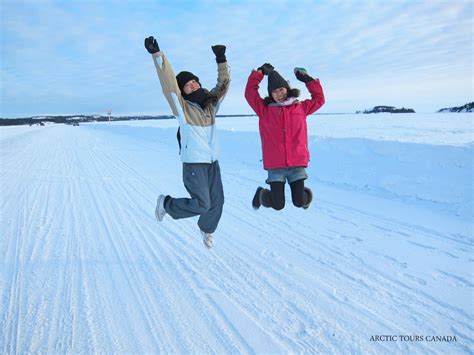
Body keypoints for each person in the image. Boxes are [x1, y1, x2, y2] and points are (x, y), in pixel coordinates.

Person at [144, 36, 230, 248]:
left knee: (217, 204)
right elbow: (169, 84)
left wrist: (221, 60)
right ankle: (166, 204)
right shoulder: (182, 108)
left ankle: (206, 229)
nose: (193, 84)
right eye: (188, 85)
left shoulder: (210, 106)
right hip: (194, 163)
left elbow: (223, 85)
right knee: (202, 204)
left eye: (195, 81)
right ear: (183, 91)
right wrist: (157, 55)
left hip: (212, 163)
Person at [244, 63, 325, 211]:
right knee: (278, 205)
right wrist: (260, 73)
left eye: (281, 89)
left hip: (297, 163)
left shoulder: (301, 107)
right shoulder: (264, 110)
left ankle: (303, 196)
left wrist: (307, 79)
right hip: (275, 165)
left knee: (299, 202)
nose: (279, 94)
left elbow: (319, 99)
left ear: (287, 89)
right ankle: (261, 193)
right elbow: (250, 93)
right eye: (275, 92)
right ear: (271, 94)